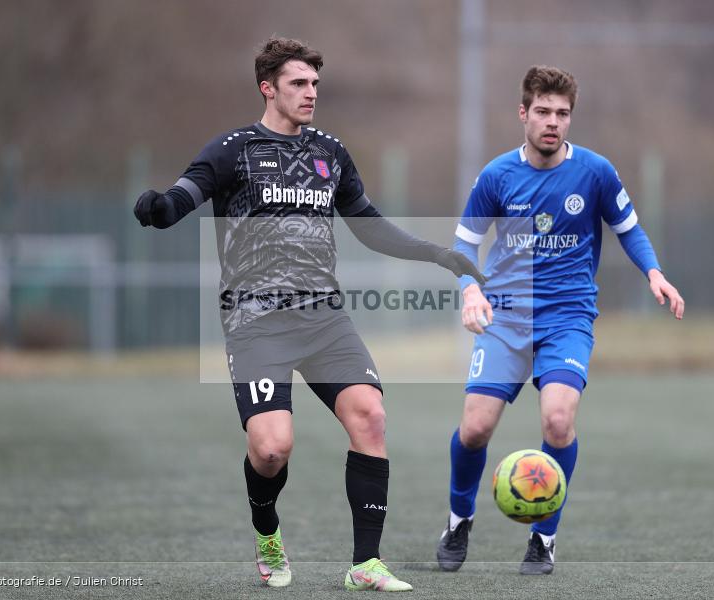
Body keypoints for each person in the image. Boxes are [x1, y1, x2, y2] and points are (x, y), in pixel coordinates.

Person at [133, 37, 484, 592]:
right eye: (298, 83)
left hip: (323, 318)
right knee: (272, 449)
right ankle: (266, 529)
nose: (311, 92)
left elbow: (369, 225)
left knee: (370, 415)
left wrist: (438, 254)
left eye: (315, 83)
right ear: (267, 88)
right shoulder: (232, 150)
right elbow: (184, 196)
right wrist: (160, 208)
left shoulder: (330, 153)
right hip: (254, 321)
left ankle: (365, 564)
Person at [436, 65, 684, 575]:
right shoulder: (497, 176)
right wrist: (470, 289)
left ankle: (544, 537)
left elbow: (628, 229)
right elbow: (463, 242)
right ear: (523, 113)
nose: (553, 122)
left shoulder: (595, 172)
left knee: (557, 420)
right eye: (543, 112)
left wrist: (654, 273)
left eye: (563, 114)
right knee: (476, 428)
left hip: (568, 316)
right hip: (506, 316)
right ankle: (459, 520)